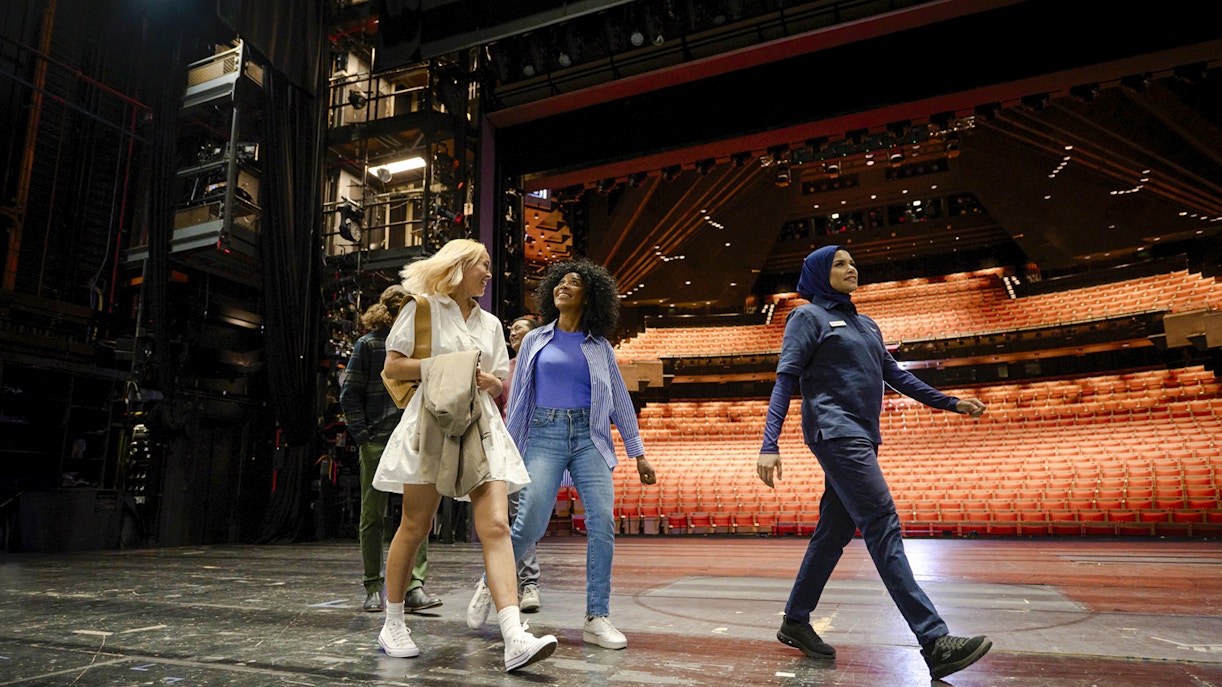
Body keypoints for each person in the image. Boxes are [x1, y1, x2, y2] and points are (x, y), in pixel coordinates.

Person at [756, 245, 993, 681]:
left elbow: (896, 376)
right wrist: (769, 443)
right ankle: (935, 640)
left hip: (863, 436)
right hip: (835, 432)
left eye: (852, 262)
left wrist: (951, 402)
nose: (852, 268)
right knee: (883, 523)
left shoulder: (866, 324)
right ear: (819, 274)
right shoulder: (807, 317)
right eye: (840, 263)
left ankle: (795, 619)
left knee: (833, 532)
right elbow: (785, 380)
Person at [373, 239, 557, 671]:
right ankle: (392, 623)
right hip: (431, 419)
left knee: (496, 526)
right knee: (415, 525)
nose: (489, 274)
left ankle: (513, 635)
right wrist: (448, 368)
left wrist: (490, 381)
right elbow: (393, 366)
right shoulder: (422, 309)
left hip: (481, 423)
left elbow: (498, 379)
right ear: (459, 266)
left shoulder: (490, 323)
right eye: (483, 265)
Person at [467, 259, 657, 650]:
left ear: (590, 296)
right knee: (531, 524)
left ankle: (597, 617)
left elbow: (620, 401)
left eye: (574, 283)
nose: (564, 287)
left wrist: (638, 453)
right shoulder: (535, 340)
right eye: (560, 282)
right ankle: (490, 582)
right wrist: (507, 450)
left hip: (590, 438)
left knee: (602, 522)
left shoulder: (600, 347)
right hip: (544, 434)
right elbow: (520, 401)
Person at [339, 285, 442, 614]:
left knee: (415, 515)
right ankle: (376, 586)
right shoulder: (370, 344)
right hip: (379, 439)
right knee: (376, 515)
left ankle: (413, 587)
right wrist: (364, 437)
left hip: (412, 438)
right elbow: (349, 394)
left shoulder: (419, 348)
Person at [497, 316, 544, 613]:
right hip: (508, 450)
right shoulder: (503, 370)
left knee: (526, 517)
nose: (513, 332)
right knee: (513, 517)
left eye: (520, 328)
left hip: (537, 449)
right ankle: (525, 584)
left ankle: (525, 582)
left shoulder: (544, 366)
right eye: (511, 328)